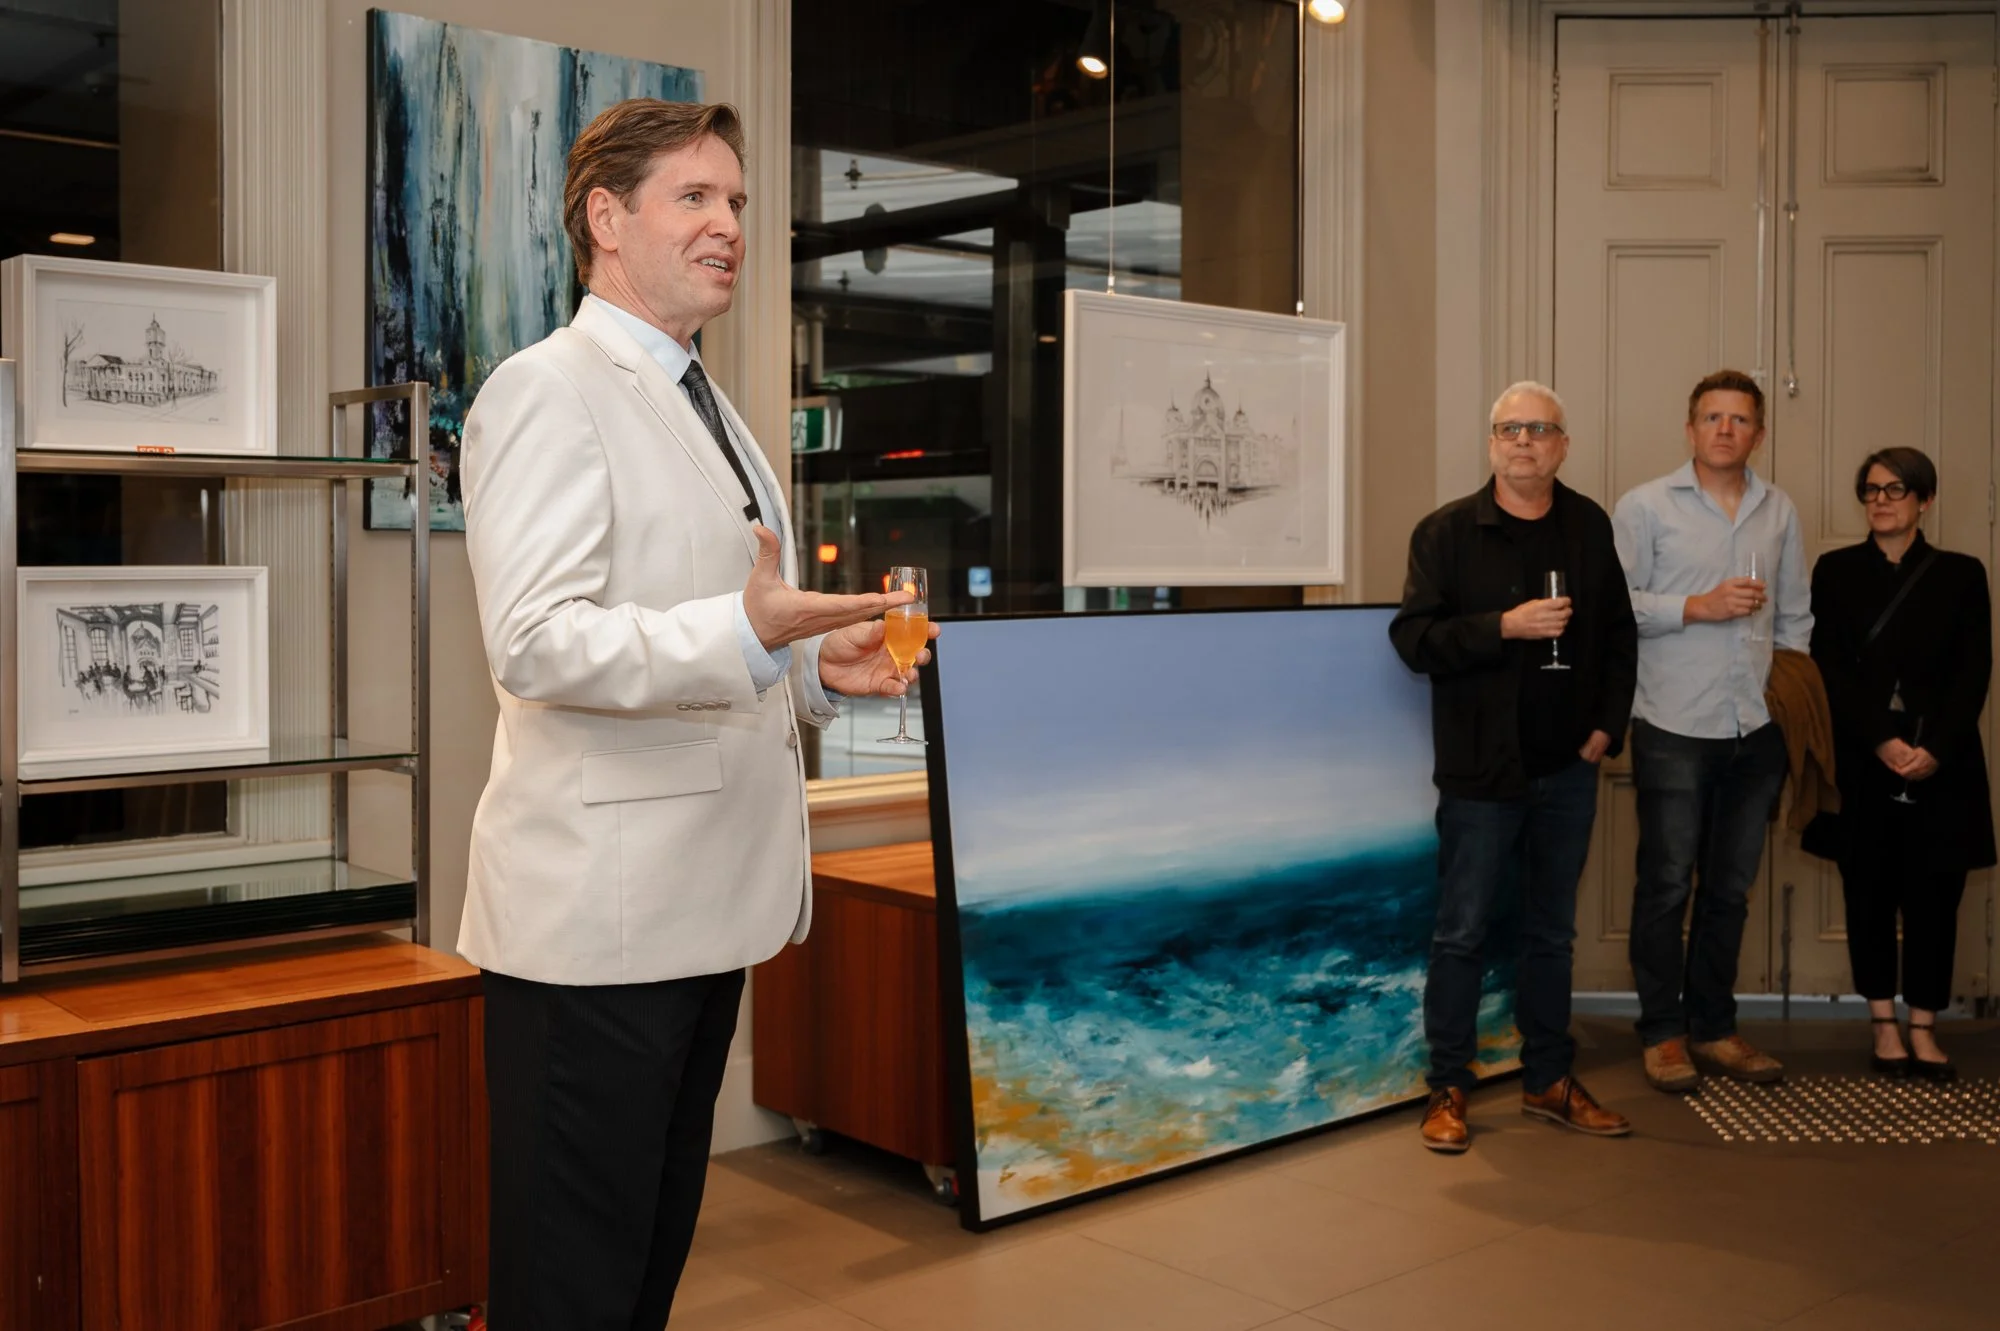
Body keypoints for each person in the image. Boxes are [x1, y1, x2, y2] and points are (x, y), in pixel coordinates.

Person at [457, 99, 936, 1330]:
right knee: (574, 1277)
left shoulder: (707, 404)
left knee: (643, 1259)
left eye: (735, 203)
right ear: (605, 219)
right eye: (695, 198)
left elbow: (723, 624)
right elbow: (532, 638)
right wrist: (749, 631)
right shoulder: (546, 390)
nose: (728, 224)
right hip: (594, 927)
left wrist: (821, 667)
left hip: (695, 906)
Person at [1391, 381, 1637, 1153]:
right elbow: (1414, 640)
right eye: (1509, 429)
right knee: (1462, 932)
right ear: (1491, 443)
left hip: (1567, 768)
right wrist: (1504, 625)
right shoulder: (1446, 533)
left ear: (1563, 444)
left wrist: (1606, 726)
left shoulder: (1589, 525)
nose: (1523, 440)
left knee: (1550, 934)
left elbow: (1621, 637)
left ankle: (1547, 1080)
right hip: (1478, 772)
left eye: (1539, 428)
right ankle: (1448, 1088)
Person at [1612, 369, 1812, 1093]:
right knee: (1665, 886)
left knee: (1730, 889)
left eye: (1740, 419)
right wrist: (1695, 605)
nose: (1726, 429)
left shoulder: (1778, 508)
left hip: (1754, 727)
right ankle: (1663, 1033)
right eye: (1712, 417)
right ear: (1691, 428)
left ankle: (1716, 1028)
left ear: (1759, 432)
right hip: (1672, 722)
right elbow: (1615, 607)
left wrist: (1788, 702)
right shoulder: (1644, 507)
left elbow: (1793, 617)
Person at [1808, 448, 1992, 1082]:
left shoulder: (1962, 574)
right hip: (1866, 758)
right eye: (1870, 490)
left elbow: (1974, 674)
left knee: (1936, 895)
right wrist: (1883, 742)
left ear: (1924, 500)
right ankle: (1884, 1022)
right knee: (1868, 891)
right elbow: (1828, 669)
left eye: (1895, 489)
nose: (1880, 500)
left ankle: (1925, 1023)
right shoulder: (1834, 572)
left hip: (1944, 762)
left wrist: (1934, 747)